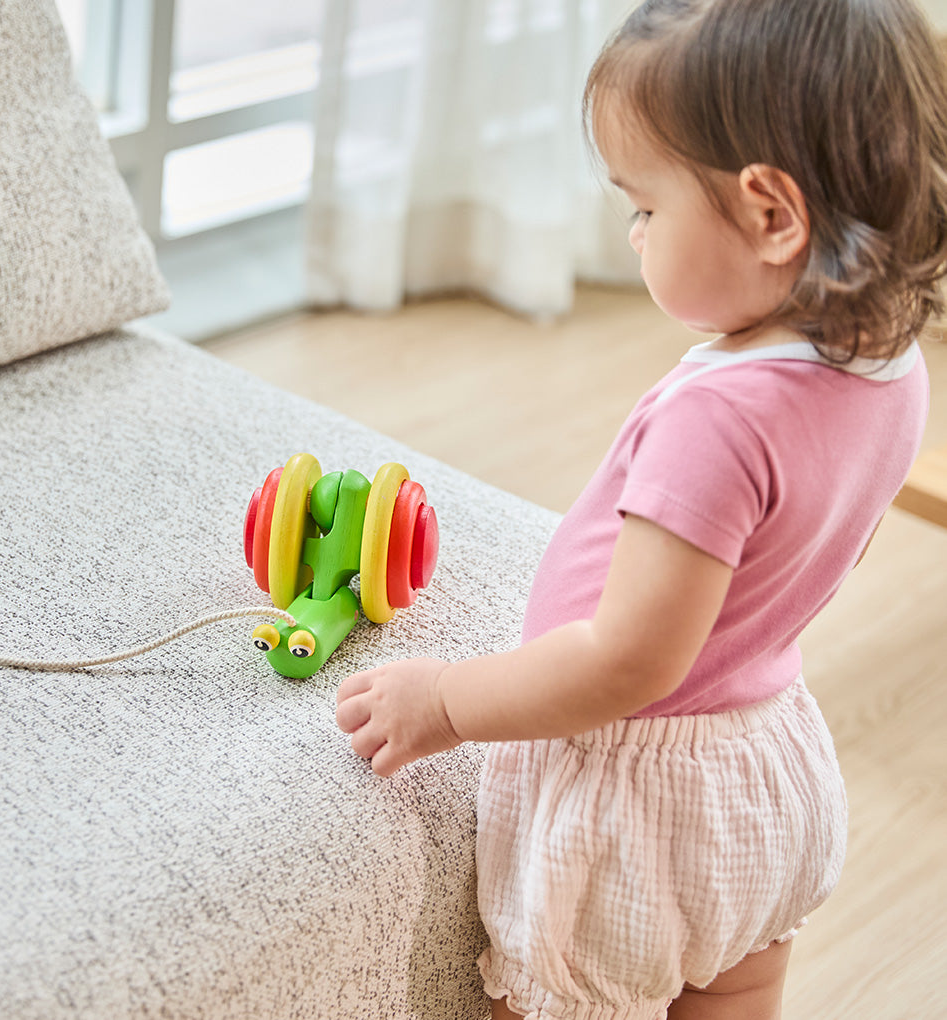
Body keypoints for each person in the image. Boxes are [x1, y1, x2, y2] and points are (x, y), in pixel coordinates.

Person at [336, 0, 947, 1016]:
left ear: (771, 215)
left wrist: (444, 701)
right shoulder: (893, 367)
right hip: (767, 760)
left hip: (636, 803)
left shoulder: (721, 418)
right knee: (737, 991)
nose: (632, 231)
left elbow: (628, 662)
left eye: (648, 207)